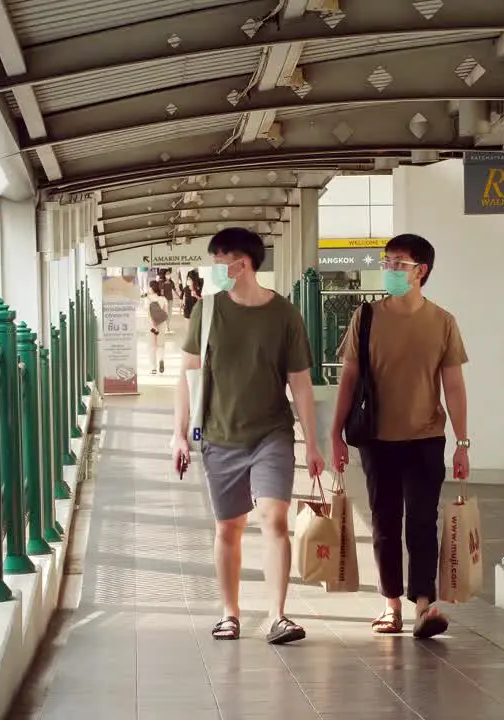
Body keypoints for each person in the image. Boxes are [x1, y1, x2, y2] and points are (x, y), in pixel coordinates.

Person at [172, 227, 325, 645]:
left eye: (223, 258)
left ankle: (278, 615)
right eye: (215, 258)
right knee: (228, 529)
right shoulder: (206, 310)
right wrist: (179, 434)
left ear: (245, 263)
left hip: (271, 433)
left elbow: (301, 384)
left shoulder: (284, 314)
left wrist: (312, 442)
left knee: (274, 519)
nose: (217, 266)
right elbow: (187, 376)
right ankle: (230, 613)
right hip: (220, 435)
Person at [329, 233, 470, 639]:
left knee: (423, 522)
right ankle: (391, 604)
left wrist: (462, 442)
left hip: (427, 438)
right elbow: (349, 377)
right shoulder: (367, 316)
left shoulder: (442, 322)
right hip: (377, 438)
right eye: (386, 261)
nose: (388, 269)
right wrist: (336, 433)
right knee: (385, 522)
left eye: (398, 263)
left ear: (420, 271)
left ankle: (425, 606)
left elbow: (454, 386)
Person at [146, 280, 169, 374]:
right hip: (162, 323)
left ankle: (153, 368)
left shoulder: (148, 299)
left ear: (152, 288)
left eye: (149, 287)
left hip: (151, 325)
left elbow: (148, 313)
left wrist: (153, 323)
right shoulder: (163, 299)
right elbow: (166, 313)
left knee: (152, 346)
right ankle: (161, 359)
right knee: (161, 344)